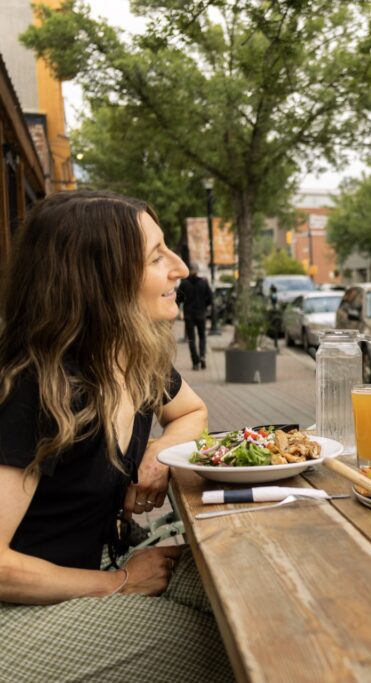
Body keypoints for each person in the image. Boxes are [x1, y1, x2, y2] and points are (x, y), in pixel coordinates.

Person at [0, 190, 233, 680]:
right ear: (99, 281)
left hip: (106, 561)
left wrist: (160, 454)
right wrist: (121, 582)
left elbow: (193, 411)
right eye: (155, 257)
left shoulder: (130, 357)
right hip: (21, 613)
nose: (181, 269)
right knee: (232, 648)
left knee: (244, 587)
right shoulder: (35, 386)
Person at [177, 263, 213, 370]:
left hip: (189, 314)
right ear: (197, 271)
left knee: (191, 339)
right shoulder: (203, 283)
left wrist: (180, 310)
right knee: (202, 336)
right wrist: (203, 306)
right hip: (201, 313)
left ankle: (195, 361)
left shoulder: (184, 284)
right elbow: (210, 298)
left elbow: (178, 300)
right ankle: (202, 356)